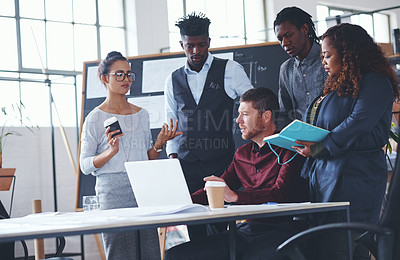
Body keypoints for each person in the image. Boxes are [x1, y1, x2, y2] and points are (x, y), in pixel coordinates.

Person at [293, 23, 399, 259]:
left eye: (328, 55)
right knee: (326, 248)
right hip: (324, 176)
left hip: (355, 178)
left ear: (349, 53)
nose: (324, 61)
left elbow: (357, 123)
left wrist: (319, 148)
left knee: (346, 247)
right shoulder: (337, 87)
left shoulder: (375, 83)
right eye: (322, 56)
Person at [165, 87, 308, 260]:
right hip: (245, 232)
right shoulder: (242, 154)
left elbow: (280, 193)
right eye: (239, 114)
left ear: (266, 116)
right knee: (176, 254)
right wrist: (178, 203)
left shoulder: (290, 149)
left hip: (281, 232)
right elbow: (218, 188)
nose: (238, 121)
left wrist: (235, 197)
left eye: (245, 114)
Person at [80, 51, 181, 260]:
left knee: (150, 252)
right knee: (120, 254)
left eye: (129, 74)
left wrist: (160, 143)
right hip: (113, 193)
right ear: (104, 79)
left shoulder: (142, 115)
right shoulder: (94, 118)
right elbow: (85, 165)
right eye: (119, 74)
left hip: (143, 190)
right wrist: (111, 152)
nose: (126, 79)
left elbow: (146, 159)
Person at [164, 12, 253, 195]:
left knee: (220, 219)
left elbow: (253, 103)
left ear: (209, 42)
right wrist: (172, 158)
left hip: (220, 162)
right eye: (190, 46)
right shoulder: (172, 79)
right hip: (185, 164)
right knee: (191, 219)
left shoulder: (230, 69)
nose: (196, 51)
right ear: (182, 45)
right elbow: (171, 120)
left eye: (201, 45)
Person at [274, 7, 327, 129]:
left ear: (304, 29)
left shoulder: (329, 59)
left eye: (288, 35)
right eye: (280, 39)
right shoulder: (286, 69)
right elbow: (284, 113)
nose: (284, 43)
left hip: (332, 138)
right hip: (301, 141)